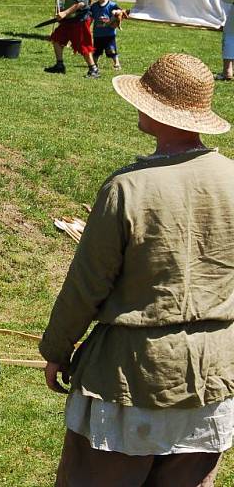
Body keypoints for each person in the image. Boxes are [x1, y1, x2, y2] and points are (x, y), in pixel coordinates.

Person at [39, 53, 234, 486]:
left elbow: (86, 286)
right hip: (211, 375)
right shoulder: (231, 178)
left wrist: (57, 349)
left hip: (131, 378)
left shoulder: (128, 188)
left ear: (157, 110)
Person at [45, 0, 99, 78]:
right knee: (57, 39)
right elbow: (65, 2)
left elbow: (81, 3)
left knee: (83, 45)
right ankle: (59, 65)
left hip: (80, 20)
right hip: (68, 20)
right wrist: (61, 12)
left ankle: (93, 69)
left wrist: (65, 12)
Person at [89, 0, 124, 70]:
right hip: (98, 33)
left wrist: (116, 14)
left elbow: (120, 13)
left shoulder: (112, 5)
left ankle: (116, 63)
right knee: (96, 50)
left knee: (111, 50)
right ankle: (94, 63)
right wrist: (87, 27)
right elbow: (90, 18)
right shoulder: (94, 6)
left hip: (109, 34)